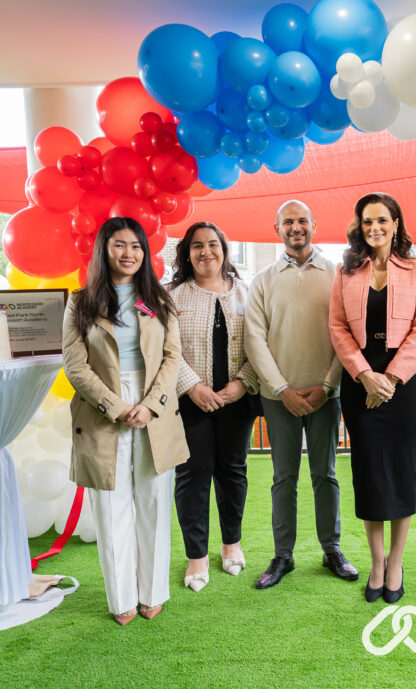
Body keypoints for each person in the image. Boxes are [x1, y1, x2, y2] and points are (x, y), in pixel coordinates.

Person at [62, 217, 188, 626]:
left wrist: (151, 404)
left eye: (136, 246)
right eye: (120, 245)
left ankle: (153, 593)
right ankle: (122, 600)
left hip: (155, 407)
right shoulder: (81, 302)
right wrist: (115, 406)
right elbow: (75, 366)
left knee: (153, 501)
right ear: (104, 249)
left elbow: (172, 358)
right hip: (104, 409)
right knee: (111, 507)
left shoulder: (159, 300)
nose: (129, 253)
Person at [244, 200, 357, 589]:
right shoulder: (261, 280)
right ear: (277, 229)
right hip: (279, 398)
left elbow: (346, 334)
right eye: (288, 222)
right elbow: (254, 340)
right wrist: (280, 389)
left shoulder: (338, 275)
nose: (296, 227)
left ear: (315, 225)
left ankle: (332, 550)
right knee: (283, 478)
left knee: (326, 474)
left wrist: (328, 386)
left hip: (327, 395)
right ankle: (283, 556)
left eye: (302, 220)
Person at [329, 192, 416, 603]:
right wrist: (365, 376)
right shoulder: (345, 272)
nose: (375, 228)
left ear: (395, 224)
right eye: (367, 221)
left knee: (401, 470)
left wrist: (389, 378)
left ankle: (396, 561)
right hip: (359, 383)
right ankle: (376, 561)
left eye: (383, 220)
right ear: (360, 226)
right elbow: (337, 329)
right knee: (369, 471)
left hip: (404, 384)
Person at [169, 222, 261, 593]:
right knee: (192, 476)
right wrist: (192, 386)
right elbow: (165, 349)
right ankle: (196, 557)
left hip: (237, 401)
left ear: (224, 249)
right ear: (186, 253)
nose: (206, 252)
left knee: (232, 472)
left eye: (212, 244)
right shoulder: (171, 296)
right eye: (197, 246)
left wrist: (243, 382)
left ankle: (231, 543)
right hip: (190, 402)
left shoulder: (247, 293)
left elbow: (261, 343)